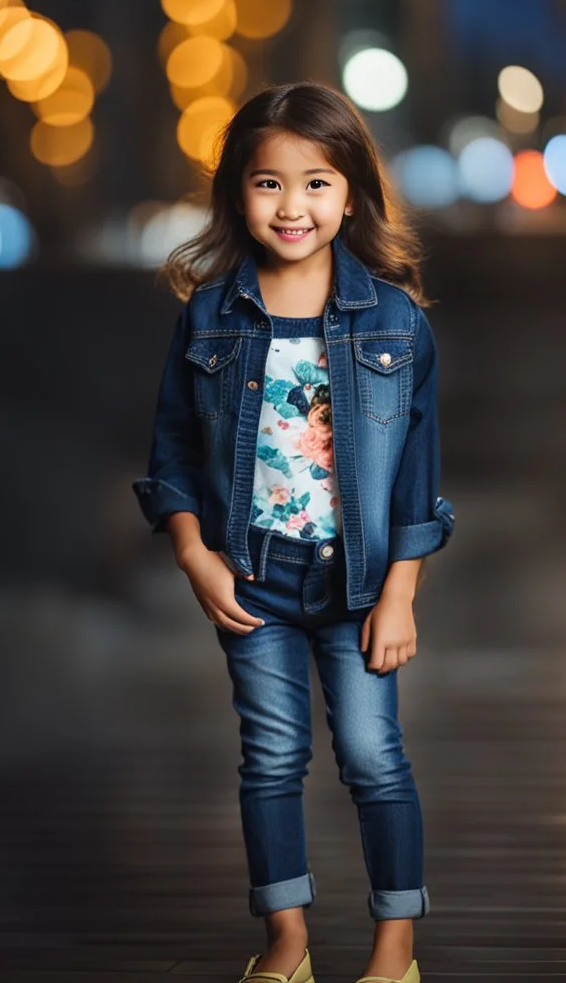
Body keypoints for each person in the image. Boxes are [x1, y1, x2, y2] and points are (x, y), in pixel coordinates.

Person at [133, 81, 455, 983]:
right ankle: (287, 938)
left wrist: (399, 594)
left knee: (371, 755)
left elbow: (418, 481)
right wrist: (195, 554)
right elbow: (171, 452)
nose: (292, 205)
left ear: (351, 192)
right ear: (238, 192)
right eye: (268, 183)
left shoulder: (395, 322)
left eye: (317, 183)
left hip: (360, 581)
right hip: (253, 576)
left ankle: (396, 945)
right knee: (270, 756)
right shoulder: (209, 316)